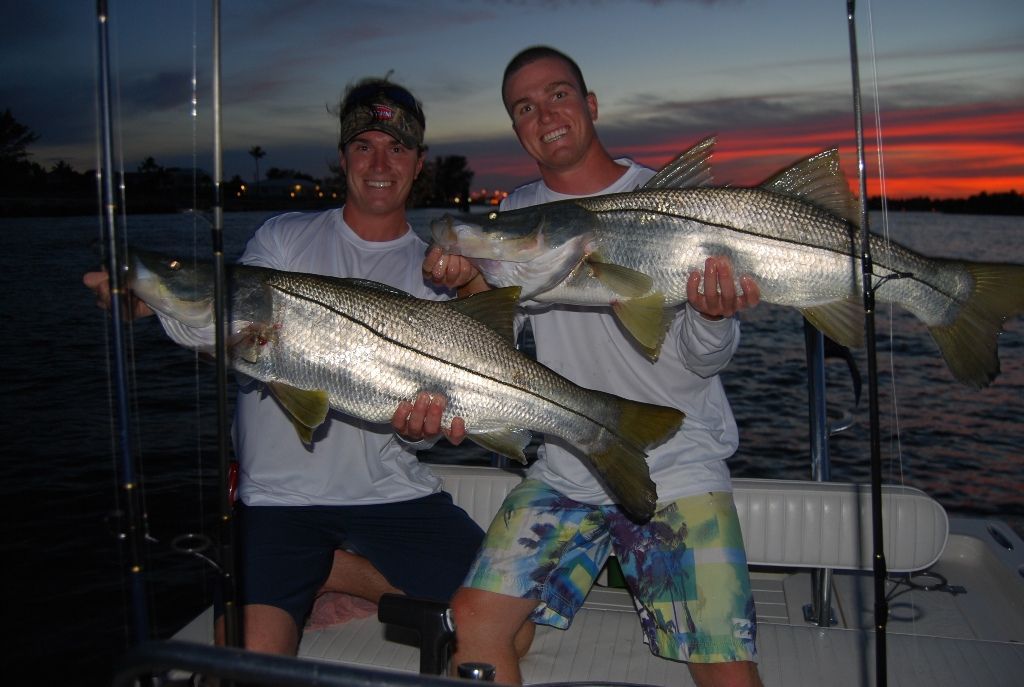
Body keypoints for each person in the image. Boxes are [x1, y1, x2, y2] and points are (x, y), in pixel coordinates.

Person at [84, 76, 484, 656]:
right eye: (364, 146)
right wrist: (154, 301)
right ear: (343, 157)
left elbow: (423, 421)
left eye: (396, 148)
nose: (380, 163)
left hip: (391, 493)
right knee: (249, 659)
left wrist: (421, 432)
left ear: (419, 163)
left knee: (503, 624)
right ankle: (311, 571)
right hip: (278, 500)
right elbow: (232, 333)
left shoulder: (435, 275)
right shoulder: (284, 237)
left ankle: (334, 571)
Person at [426, 47, 764, 686]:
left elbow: (703, 360)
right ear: (516, 127)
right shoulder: (517, 215)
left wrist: (713, 315)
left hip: (676, 461)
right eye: (524, 107)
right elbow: (494, 343)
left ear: (590, 104)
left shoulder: (666, 198)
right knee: (473, 620)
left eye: (558, 95)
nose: (545, 115)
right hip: (567, 467)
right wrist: (468, 283)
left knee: (724, 666)